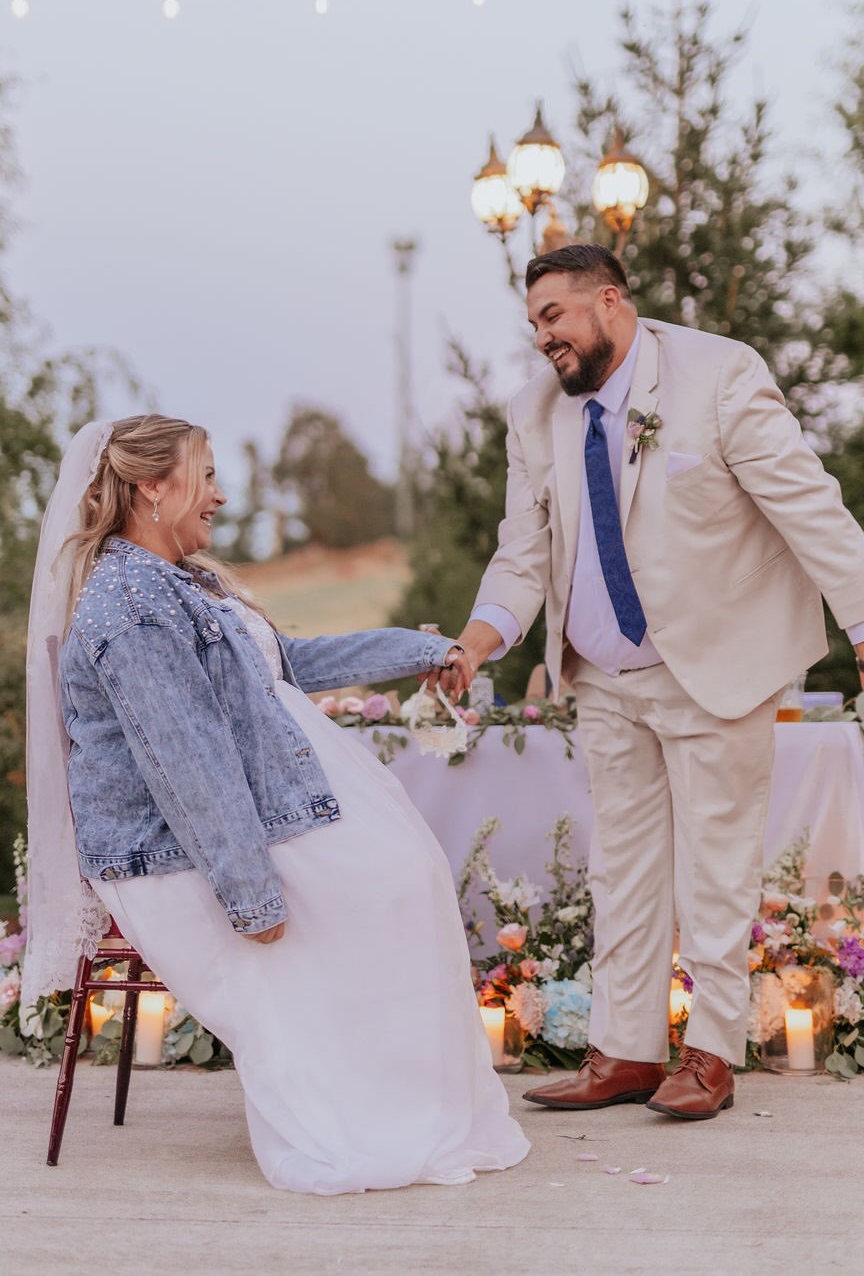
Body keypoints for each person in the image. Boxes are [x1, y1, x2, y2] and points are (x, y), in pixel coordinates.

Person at [23, 414, 529, 1193]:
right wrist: (250, 896)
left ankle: (402, 1099)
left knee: (407, 875)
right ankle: (368, 1115)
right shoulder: (129, 607)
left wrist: (422, 650)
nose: (221, 497)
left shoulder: (183, 581)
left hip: (236, 812)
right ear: (152, 487)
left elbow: (288, 662)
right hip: (175, 849)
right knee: (380, 887)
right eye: (207, 477)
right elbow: (188, 767)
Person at [442, 243, 864, 1121]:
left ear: (610, 300)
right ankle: (626, 1053)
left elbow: (807, 503)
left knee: (715, 868)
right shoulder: (534, 415)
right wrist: (476, 645)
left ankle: (710, 1053)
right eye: (532, 325)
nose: (543, 339)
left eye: (554, 316)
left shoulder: (718, 375)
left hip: (715, 665)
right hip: (602, 678)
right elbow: (522, 555)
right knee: (621, 870)